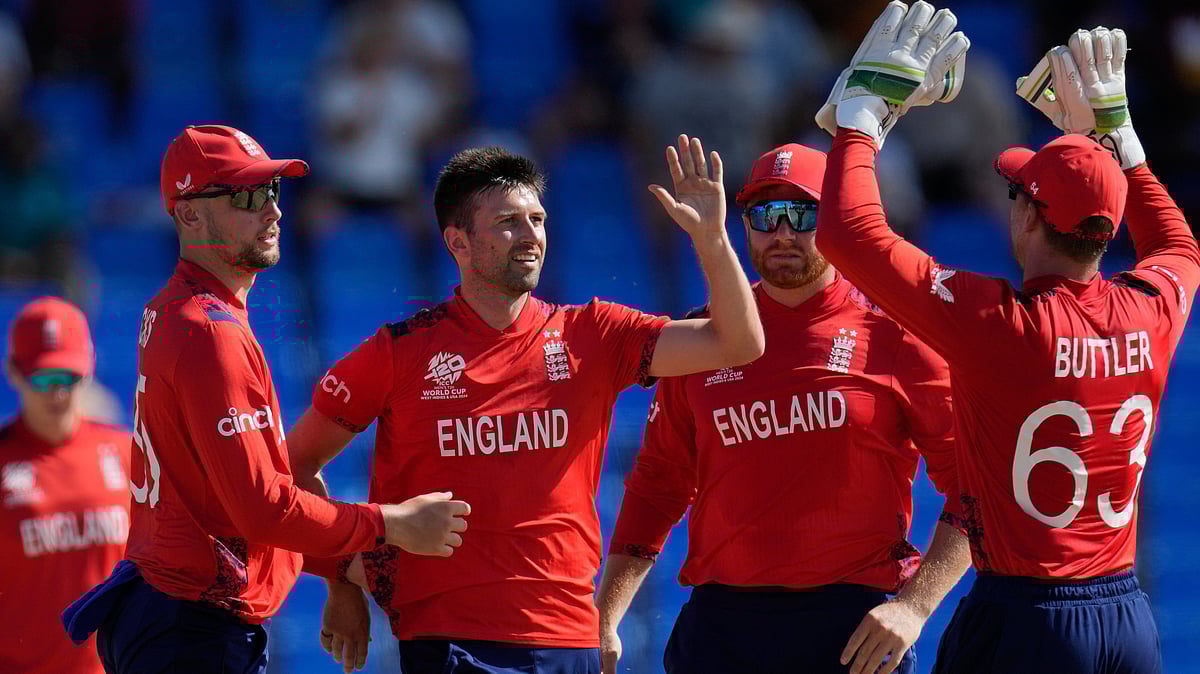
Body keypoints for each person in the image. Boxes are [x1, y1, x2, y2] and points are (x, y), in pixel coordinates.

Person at [287, 135, 765, 673]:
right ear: (458, 243)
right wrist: (338, 575)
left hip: (569, 638)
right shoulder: (399, 352)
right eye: (508, 223)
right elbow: (293, 465)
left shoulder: (595, 333)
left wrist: (711, 240)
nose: (531, 236)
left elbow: (738, 344)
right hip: (450, 641)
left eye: (538, 220)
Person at [816, 5, 1197, 671]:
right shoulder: (1151, 308)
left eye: (1019, 193)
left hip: (1028, 616)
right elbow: (1178, 245)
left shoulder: (999, 323)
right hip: (1127, 619)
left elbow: (848, 234)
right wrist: (1121, 139)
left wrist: (861, 117)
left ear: (1028, 219)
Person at [59, 124, 470, 673]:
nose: (273, 211)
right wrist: (390, 524)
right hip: (191, 631)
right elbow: (262, 509)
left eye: (273, 192)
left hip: (171, 615)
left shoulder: (179, 308)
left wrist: (337, 570)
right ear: (188, 214)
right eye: (248, 197)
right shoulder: (209, 331)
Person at [595, 143, 971, 674]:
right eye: (766, 215)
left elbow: (976, 489)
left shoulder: (896, 334)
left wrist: (915, 607)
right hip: (722, 626)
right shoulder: (707, 337)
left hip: (851, 626)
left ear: (838, 221)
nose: (783, 233)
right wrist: (606, 614)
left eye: (804, 214)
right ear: (746, 225)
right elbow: (659, 484)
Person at [0, 297, 131, 674]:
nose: (57, 393)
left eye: (68, 377)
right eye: (42, 378)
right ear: (13, 372)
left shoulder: (123, 453)